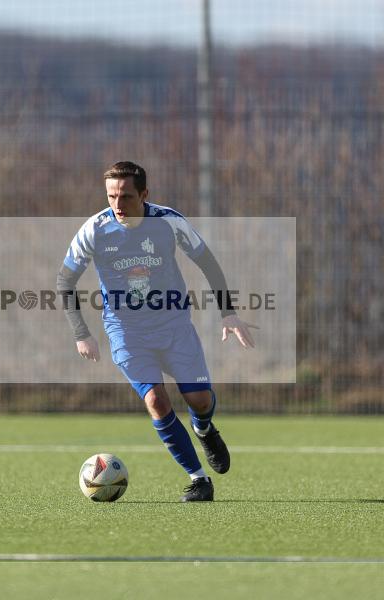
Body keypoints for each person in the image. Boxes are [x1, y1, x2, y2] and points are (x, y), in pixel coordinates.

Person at [57, 161, 256, 502]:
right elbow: (65, 281)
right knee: (156, 400)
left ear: (144, 194)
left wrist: (228, 314)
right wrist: (81, 333)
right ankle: (198, 479)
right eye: (111, 196)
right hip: (126, 332)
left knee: (199, 399)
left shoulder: (168, 221)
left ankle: (204, 428)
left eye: (126, 196)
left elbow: (207, 263)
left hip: (173, 325)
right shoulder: (95, 229)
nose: (117, 205)